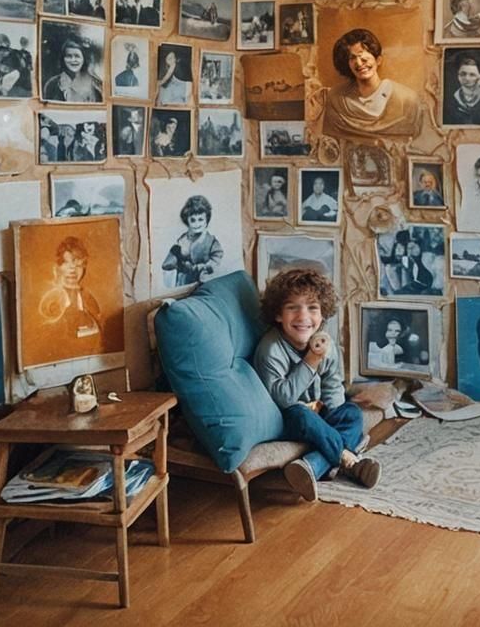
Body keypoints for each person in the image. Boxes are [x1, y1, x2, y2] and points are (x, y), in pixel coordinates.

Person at [253, 269, 381, 502]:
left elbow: (333, 383)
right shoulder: (270, 349)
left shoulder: (325, 342)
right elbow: (284, 399)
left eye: (312, 307)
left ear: (323, 314)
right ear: (278, 315)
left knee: (352, 413)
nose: (303, 316)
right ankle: (348, 459)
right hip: (287, 419)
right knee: (301, 413)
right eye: (293, 307)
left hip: (320, 416)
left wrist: (334, 414)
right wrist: (311, 360)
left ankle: (311, 466)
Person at [323, 28, 422, 139]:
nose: (359, 64)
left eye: (364, 58)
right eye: (352, 58)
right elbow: (329, 143)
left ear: (378, 60)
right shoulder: (337, 98)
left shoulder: (406, 99)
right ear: (347, 65)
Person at [38, 237, 103, 346]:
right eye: (67, 263)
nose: (72, 269)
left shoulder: (88, 298)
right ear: (57, 267)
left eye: (78, 265)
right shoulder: (51, 300)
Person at [161, 195, 223, 287]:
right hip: (183, 282)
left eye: (200, 219)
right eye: (193, 220)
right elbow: (169, 263)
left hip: (203, 281)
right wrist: (174, 261)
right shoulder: (182, 240)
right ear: (187, 220)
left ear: (206, 221)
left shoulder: (211, 241)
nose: (197, 224)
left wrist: (204, 267)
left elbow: (217, 259)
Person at [43, 37, 103, 103]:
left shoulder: (95, 84)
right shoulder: (52, 84)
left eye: (77, 56)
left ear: (84, 59)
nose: (73, 60)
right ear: (63, 59)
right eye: (69, 56)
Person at [446, 52, 480, 124]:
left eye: (472, 75)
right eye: (463, 74)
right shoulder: (452, 99)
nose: (467, 78)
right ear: (458, 76)